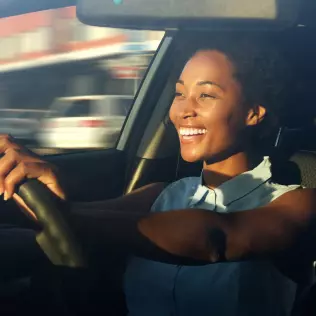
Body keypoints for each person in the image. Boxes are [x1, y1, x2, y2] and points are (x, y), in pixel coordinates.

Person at [0, 34, 316, 316]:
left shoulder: (296, 203)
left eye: (205, 95)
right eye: (180, 93)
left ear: (253, 113)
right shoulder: (162, 194)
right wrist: (39, 189)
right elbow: (72, 217)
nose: (183, 110)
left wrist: (68, 218)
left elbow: (217, 238)